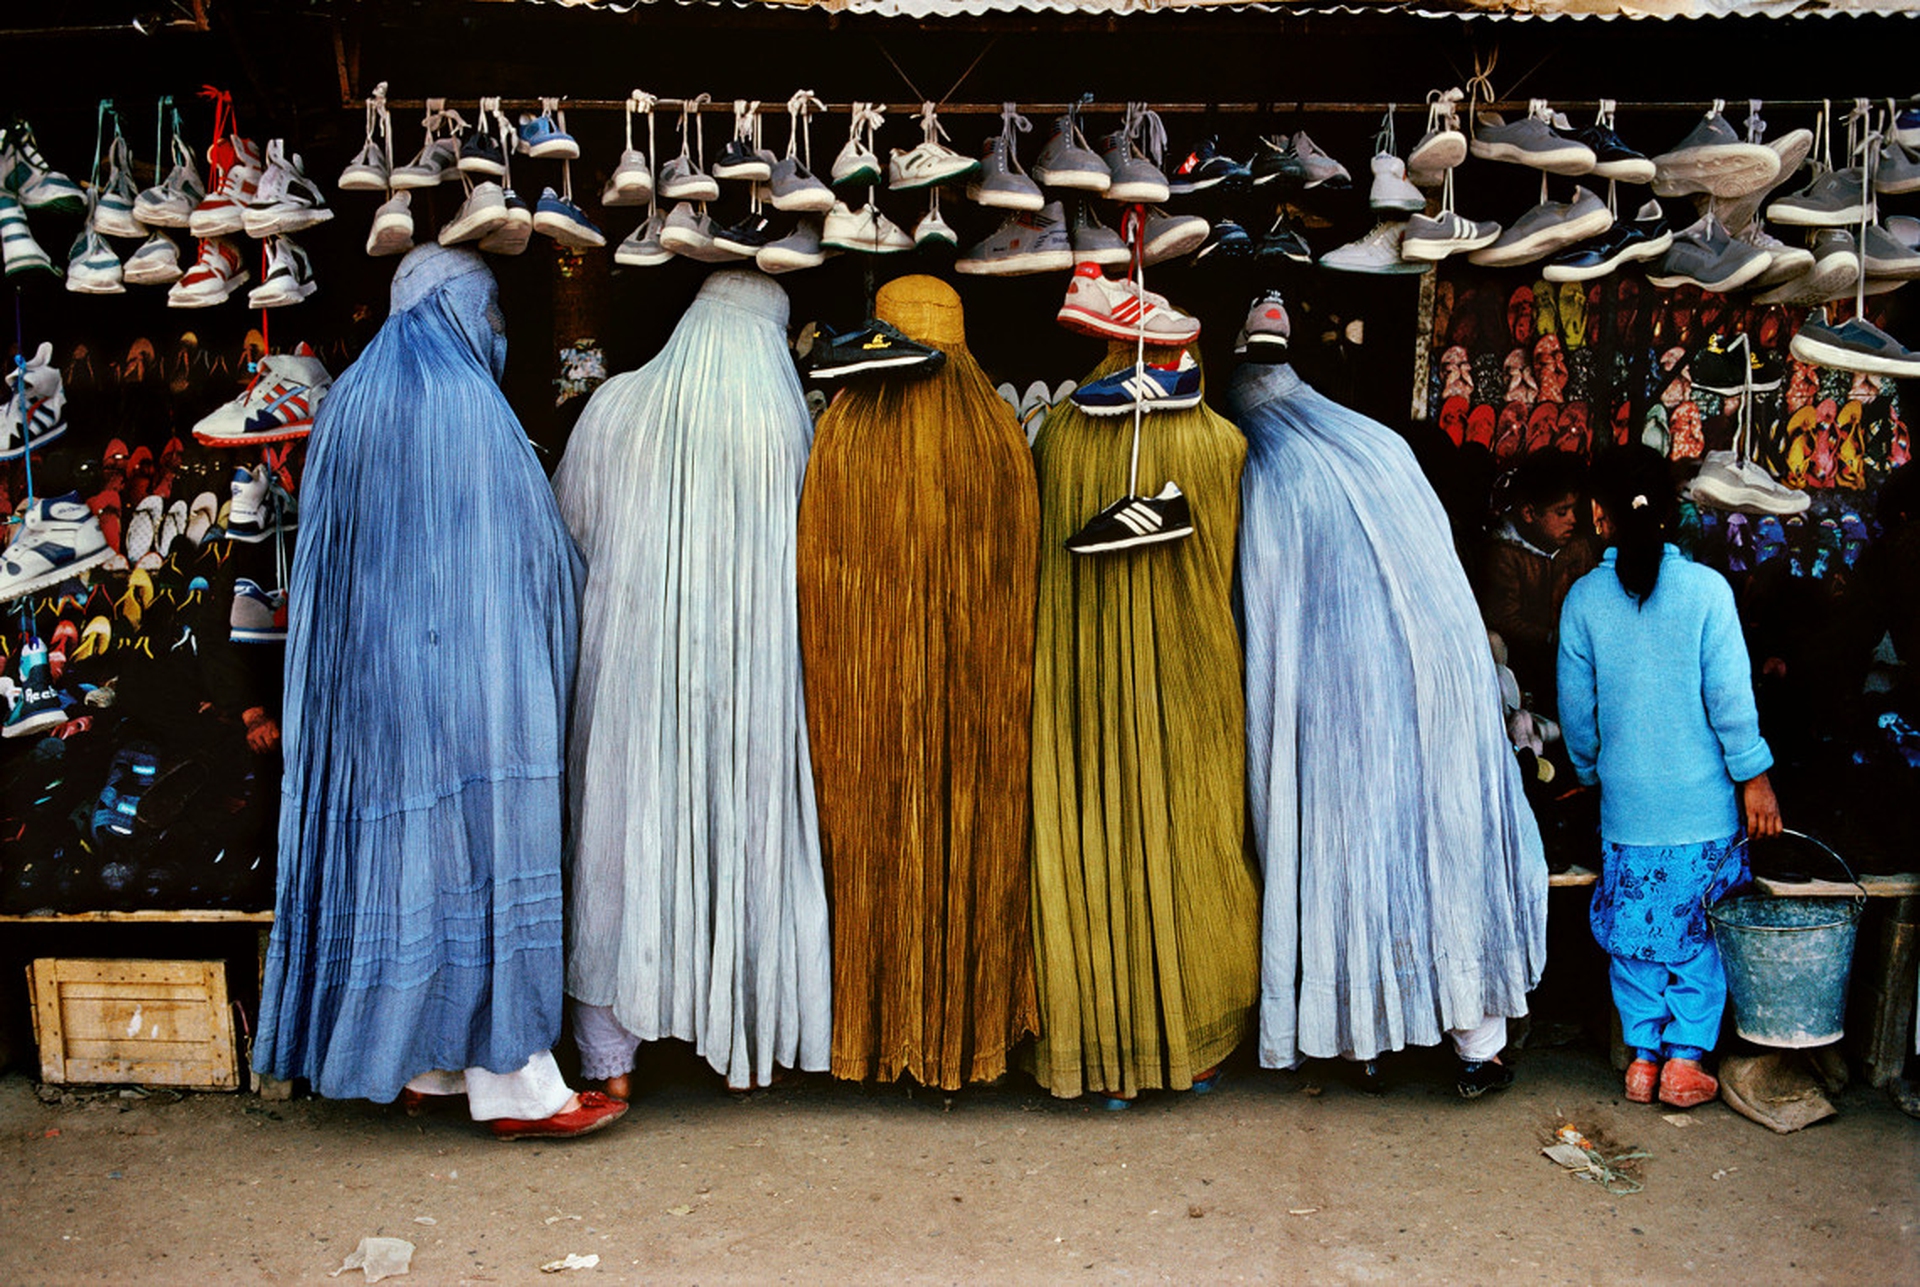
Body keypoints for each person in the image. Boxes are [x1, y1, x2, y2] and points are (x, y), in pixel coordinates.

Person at [254, 245, 624, 1141]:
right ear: (461, 307)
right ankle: (518, 1082)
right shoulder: (467, 403)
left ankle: (423, 1062)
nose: (496, 330)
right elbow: (526, 550)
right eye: (491, 310)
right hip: (468, 683)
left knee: (407, 866)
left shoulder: (348, 403)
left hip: (372, 692)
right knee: (489, 860)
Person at [1557, 444, 1783, 1111]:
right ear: (1673, 512)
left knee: (1635, 934)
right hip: (1704, 811)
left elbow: (1577, 712)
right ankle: (1685, 1059)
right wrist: (1755, 776)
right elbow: (1732, 702)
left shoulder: (1583, 601)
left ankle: (1641, 1059)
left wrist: (1592, 769)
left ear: (1600, 516)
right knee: (1697, 935)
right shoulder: (1709, 593)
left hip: (1629, 812)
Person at [1477, 449, 1596, 714]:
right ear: (1529, 513)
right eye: (1561, 512)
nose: (1572, 520)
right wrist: (1551, 636)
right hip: (1523, 670)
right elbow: (1503, 617)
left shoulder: (1577, 550)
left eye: (1574, 510)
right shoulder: (1505, 554)